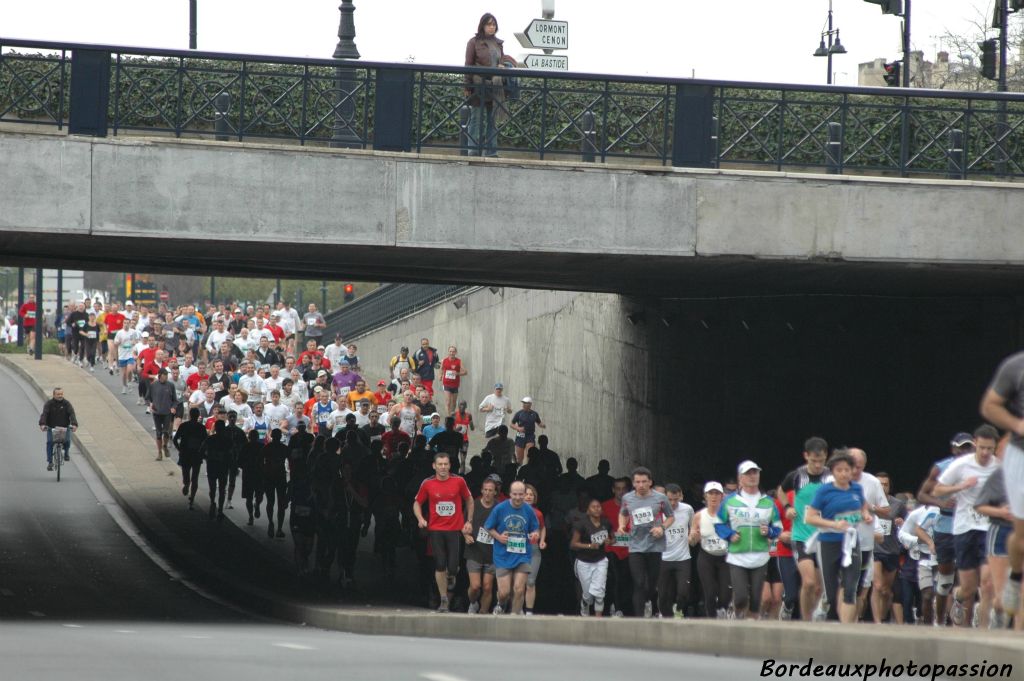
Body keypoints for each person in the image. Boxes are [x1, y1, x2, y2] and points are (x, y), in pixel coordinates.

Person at [933, 424, 1000, 628]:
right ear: (976, 445)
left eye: (990, 448)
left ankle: (983, 632)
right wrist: (961, 486)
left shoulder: (998, 467)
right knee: (968, 587)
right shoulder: (961, 465)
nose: (986, 453)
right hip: (964, 528)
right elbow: (937, 490)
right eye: (982, 448)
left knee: (988, 583)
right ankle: (958, 597)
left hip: (988, 528)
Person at [979, 353, 1024, 620]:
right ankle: (1016, 576)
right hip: (1021, 454)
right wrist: (1018, 424)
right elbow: (990, 406)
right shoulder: (1016, 366)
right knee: (1022, 536)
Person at [805, 449, 874, 624]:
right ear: (833, 472)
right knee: (831, 590)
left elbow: (863, 506)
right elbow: (810, 517)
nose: (844, 474)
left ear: (852, 471)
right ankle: (827, 614)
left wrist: (865, 514)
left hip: (851, 542)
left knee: (850, 588)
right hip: (829, 542)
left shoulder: (857, 488)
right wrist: (833, 524)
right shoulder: (824, 491)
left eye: (847, 470)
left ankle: (846, 629)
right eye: (839, 470)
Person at [915, 432, 973, 625]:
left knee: (971, 579)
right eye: (961, 447)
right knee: (945, 581)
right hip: (946, 528)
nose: (964, 451)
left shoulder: (979, 468)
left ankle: (964, 622)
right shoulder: (941, 468)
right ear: (953, 448)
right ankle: (939, 621)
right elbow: (922, 495)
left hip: (969, 526)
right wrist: (939, 503)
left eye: (968, 447)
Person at [715, 460, 781, 620]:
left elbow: (778, 527)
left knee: (756, 601)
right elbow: (718, 523)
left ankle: (750, 625)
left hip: (760, 555)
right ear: (740, 479)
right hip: (737, 555)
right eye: (748, 474)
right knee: (741, 597)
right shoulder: (729, 501)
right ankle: (737, 616)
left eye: (755, 473)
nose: (752, 476)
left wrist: (770, 531)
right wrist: (729, 534)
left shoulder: (769, 503)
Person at [777, 436, 831, 621]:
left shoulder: (830, 476)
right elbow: (780, 491)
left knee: (818, 587)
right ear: (805, 456)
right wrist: (787, 508)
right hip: (802, 537)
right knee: (808, 582)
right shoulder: (797, 476)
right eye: (813, 461)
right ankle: (805, 621)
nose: (817, 465)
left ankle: (814, 618)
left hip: (824, 538)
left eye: (821, 461)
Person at [413, 452, 474, 613]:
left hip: (454, 530)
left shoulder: (459, 481)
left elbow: (469, 499)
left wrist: (469, 521)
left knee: (453, 566)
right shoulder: (427, 483)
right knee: (440, 564)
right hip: (436, 530)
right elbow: (417, 503)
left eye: (446, 464)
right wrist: (420, 518)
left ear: (450, 466)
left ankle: (452, 575)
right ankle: (444, 599)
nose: (443, 467)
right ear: (434, 466)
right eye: (440, 464)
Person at [618, 467, 674, 618]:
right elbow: (623, 514)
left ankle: (648, 600)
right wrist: (622, 525)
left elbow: (670, 517)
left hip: (655, 546)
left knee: (651, 584)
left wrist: (661, 528)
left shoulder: (661, 499)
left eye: (644, 481)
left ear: (650, 482)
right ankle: (639, 618)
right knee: (639, 583)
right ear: (633, 483)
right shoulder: (627, 498)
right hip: (636, 546)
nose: (641, 485)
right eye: (637, 482)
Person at [485, 480, 540, 615]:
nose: (518, 498)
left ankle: (514, 617)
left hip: (522, 555)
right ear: (510, 494)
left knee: (519, 589)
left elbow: (535, 529)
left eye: (521, 494)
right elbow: (488, 527)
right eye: (515, 494)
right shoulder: (500, 508)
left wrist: (534, 535)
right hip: (502, 554)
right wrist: (499, 537)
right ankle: (501, 603)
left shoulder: (529, 510)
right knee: (504, 592)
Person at [464, 13, 513, 157]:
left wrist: (503, 65)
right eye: (489, 24)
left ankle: (492, 152)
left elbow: (501, 59)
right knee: (476, 119)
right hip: (479, 85)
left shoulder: (498, 43)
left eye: (494, 25)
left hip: (495, 86)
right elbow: (468, 65)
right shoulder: (473, 42)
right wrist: (467, 86)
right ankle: (473, 151)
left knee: (492, 120)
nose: (492, 27)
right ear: (482, 25)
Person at [692, 481, 731, 618]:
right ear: (705, 496)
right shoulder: (699, 516)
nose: (713, 497)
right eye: (710, 493)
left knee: (725, 594)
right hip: (706, 557)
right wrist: (693, 537)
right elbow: (691, 541)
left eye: (717, 494)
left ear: (722, 496)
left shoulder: (729, 515)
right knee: (710, 592)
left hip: (725, 557)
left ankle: (722, 612)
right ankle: (712, 619)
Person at [571, 497, 614, 616]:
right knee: (588, 594)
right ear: (588, 511)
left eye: (598, 506)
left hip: (600, 560)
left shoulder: (606, 522)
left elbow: (613, 538)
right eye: (593, 507)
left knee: (599, 593)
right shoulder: (581, 524)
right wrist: (590, 546)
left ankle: (597, 621)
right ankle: (585, 605)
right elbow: (573, 544)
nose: (596, 509)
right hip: (584, 561)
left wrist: (609, 541)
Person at [658, 483, 695, 619]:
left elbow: (693, 527)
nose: (673, 503)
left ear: (681, 496)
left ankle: (678, 610)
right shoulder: (658, 510)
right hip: (663, 558)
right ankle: (666, 616)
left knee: (683, 592)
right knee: (662, 595)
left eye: (676, 499)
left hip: (683, 558)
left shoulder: (687, 509)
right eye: (669, 500)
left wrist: (692, 536)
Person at [463, 477, 499, 614]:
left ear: (495, 492)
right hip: (474, 550)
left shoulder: (499, 507)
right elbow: (464, 524)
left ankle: (483, 613)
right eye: (485, 490)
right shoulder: (474, 505)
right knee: (475, 586)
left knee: (488, 586)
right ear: (481, 490)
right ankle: (473, 602)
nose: (488, 493)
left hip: (492, 552)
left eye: (491, 490)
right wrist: (466, 535)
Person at [173, 408, 207, 509]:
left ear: (190, 415)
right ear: (198, 416)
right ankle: (192, 498)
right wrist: (202, 452)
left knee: (186, 474)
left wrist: (180, 449)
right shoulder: (201, 427)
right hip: (196, 454)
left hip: (185, 453)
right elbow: (205, 442)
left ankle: (186, 485)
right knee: (195, 477)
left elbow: (175, 439)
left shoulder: (184, 426)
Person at [199, 420, 233, 520]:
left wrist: (207, 458)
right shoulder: (228, 441)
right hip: (223, 467)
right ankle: (220, 510)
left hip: (212, 465)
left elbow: (201, 451)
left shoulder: (210, 439)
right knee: (222, 489)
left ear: (216, 428)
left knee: (212, 487)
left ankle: (213, 502)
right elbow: (231, 455)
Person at [38, 387, 78, 471]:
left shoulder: (67, 404)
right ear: (54, 395)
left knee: (67, 441)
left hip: (64, 427)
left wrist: (74, 424)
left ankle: (66, 453)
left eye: (61, 394)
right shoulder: (49, 404)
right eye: (58, 394)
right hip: (51, 427)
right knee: (50, 443)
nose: (60, 396)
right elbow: (44, 414)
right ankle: (50, 462)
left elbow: (72, 414)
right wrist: (42, 424)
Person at [522, 484, 547, 615]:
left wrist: (542, 541)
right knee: (518, 582)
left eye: (531, 494)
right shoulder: (513, 510)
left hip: (533, 550)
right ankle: (516, 609)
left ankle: (529, 612)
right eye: (526, 494)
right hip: (517, 549)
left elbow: (542, 528)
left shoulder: (538, 513)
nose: (529, 496)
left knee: (530, 582)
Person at [149, 368, 177, 461]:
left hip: (167, 413)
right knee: (158, 433)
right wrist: (150, 405)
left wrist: (173, 407)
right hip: (157, 413)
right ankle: (159, 452)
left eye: (167, 376)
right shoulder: (153, 385)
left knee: (166, 432)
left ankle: (165, 445)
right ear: (160, 375)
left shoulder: (171, 385)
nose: (166, 378)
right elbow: (148, 397)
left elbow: (175, 400)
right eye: (164, 376)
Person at [510, 397, 544, 465]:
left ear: (530, 404)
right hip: (520, 436)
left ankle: (528, 469)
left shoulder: (534, 414)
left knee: (530, 455)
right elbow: (511, 424)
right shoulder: (519, 413)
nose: (524, 405)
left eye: (526, 403)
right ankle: (519, 469)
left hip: (530, 436)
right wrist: (518, 428)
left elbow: (539, 422)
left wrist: (542, 425)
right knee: (519, 459)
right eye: (523, 403)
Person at [440, 345, 467, 416]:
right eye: (450, 351)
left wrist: (457, 373)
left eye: (453, 351)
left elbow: (465, 372)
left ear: (456, 352)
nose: (451, 353)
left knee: (454, 402)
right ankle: (448, 417)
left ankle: (452, 414)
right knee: (448, 402)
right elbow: (441, 369)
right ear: (448, 352)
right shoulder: (444, 360)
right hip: (446, 384)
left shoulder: (459, 361)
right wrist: (440, 375)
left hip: (455, 384)